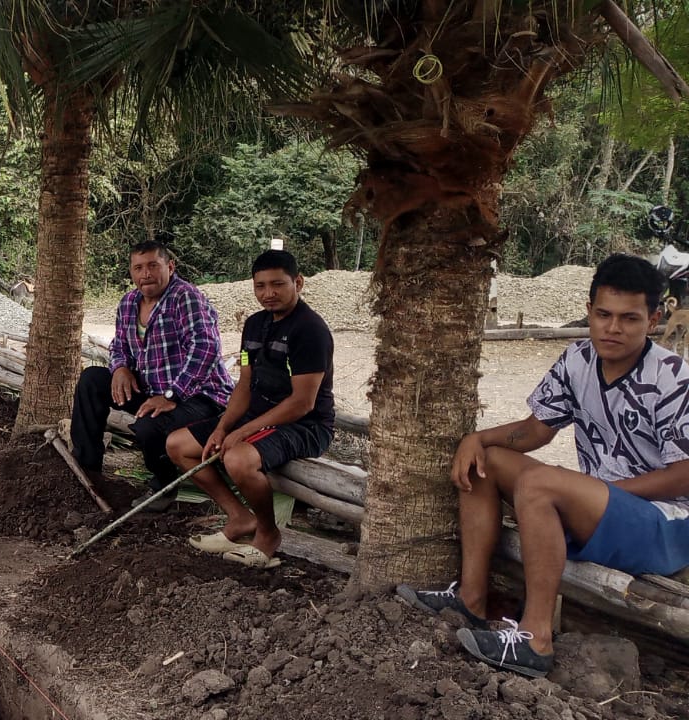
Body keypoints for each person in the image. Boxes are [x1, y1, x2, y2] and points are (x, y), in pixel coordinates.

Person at [397, 254, 689, 679]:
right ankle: (471, 600)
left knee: (539, 483)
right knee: (486, 461)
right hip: (601, 506)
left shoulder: (673, 377)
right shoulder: (578, 359)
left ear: (654, 319)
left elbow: (684, 475)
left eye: (629, 318)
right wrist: (477, 438)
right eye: (603, 314)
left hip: (665, 524)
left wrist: (607, 493)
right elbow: (537, 430)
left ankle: (535, 640)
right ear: (589, 311)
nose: (613, 328)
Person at [166, 250, 334, 569]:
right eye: (260, 286)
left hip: (304, 424)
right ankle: (239, 517)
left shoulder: (310, 331)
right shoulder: (255, 325)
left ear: (298, 283)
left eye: (278, 284)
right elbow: (244, 384)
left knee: (237, 458)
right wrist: (222, 428)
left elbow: (303, 402)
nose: (268, 293)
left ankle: (268, 534)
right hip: (257, 414)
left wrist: (242, 432)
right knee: (178, 445)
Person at [70, 240, 234, 492]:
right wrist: (120, 368)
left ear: (170, 266)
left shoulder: (185, 297)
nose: (145, 274)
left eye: (153, 266)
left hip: (198, 396)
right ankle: (87, 470)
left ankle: (163, 485)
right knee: (92, 380)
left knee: (149, 426)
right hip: (152, 389)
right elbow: (119, 345)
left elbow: (205, 349)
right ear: (131, 272)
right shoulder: (128, 302)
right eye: (138, 268)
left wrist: (171, 395)